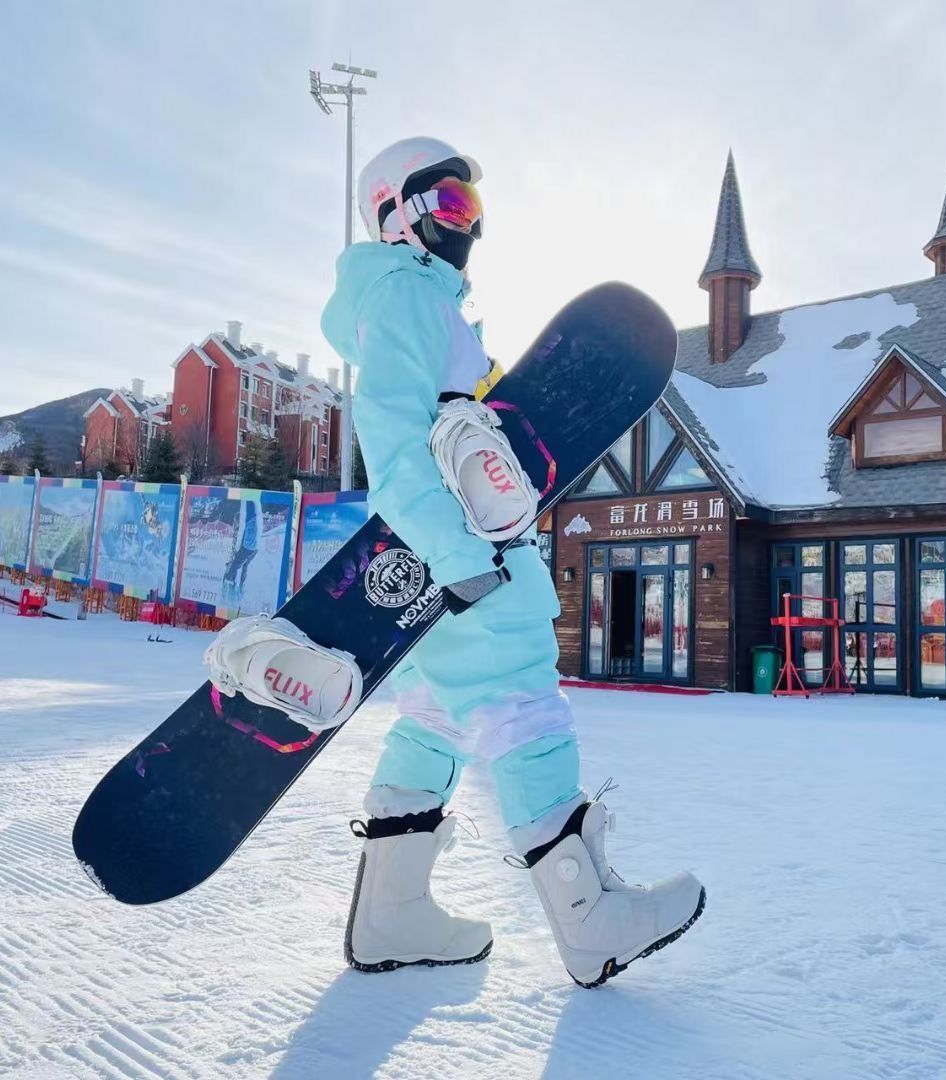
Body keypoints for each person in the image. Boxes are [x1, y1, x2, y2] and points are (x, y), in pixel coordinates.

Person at [208, 137, 704, 988]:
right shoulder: (406, 294)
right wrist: (459, 555)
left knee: (434, 715)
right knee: (521, 704)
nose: (465, 225)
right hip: (470, 553)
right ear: (394, 217)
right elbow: (394, 441)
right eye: (446, 205)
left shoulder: (428, 302)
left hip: (453, 552)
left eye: (474, 210)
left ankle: (391, 914)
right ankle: (592, 921)